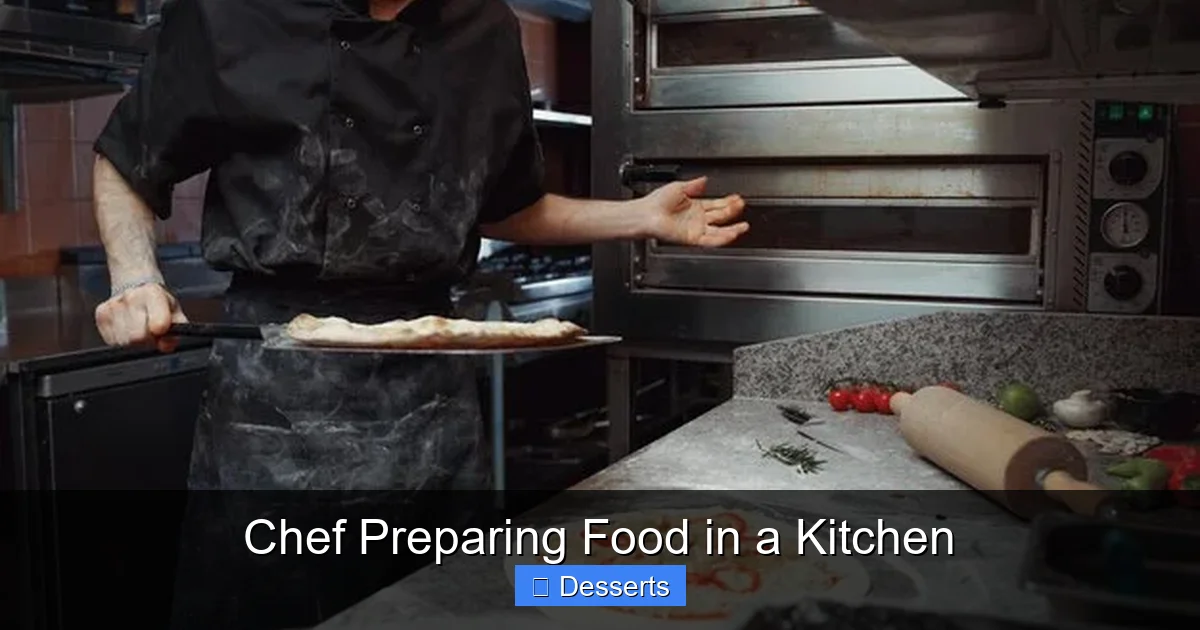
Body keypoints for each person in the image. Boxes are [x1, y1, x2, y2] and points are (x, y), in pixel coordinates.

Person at [90, 0, 747, 627]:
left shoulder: (485, 25)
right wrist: (135, 279)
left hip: (431, 386)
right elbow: (126, 159)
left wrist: (639, 217)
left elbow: (505, 205)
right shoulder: (229, 13)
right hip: (277, 390)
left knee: (444, 602)